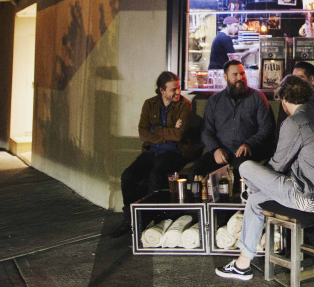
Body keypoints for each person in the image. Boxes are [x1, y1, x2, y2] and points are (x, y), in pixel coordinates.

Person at [215, 75, 314, 281]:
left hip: (309, 198)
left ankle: (249, 195)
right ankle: (242, 264)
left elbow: (277, 166)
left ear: (283, 99)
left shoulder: (294, 122)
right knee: (255, 201)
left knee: (245, 166)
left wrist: (260, 179)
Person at [112, 71, 193, 237]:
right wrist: (168, 133)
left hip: (174, 151)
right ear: (161, 90)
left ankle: (149, 221)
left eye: (178, 88)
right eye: (173, 89)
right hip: (152, 150)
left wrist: (155, 129)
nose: (178, 92)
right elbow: (143, 133)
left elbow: (178, 136)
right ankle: (129, 219)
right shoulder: (149, 104)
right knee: (128, 176)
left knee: (156, 175)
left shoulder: (184, 105)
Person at [187, 60, 274, 183]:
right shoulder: (214, 101)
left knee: (240, 173)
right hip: (221, 150)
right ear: (225, 77)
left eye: (242, 74)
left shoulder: (258, 97)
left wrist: (249, 144)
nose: (240, 78)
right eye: (235, 74)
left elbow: (266, 127)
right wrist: (215, 149)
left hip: (247, 151)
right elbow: (206, 131)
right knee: (194, 174)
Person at [275, 61, 314, 139]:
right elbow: (280, 126)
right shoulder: (287, 97)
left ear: (311, 78)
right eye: (294, 78)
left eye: (300, 77)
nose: (295, 82)